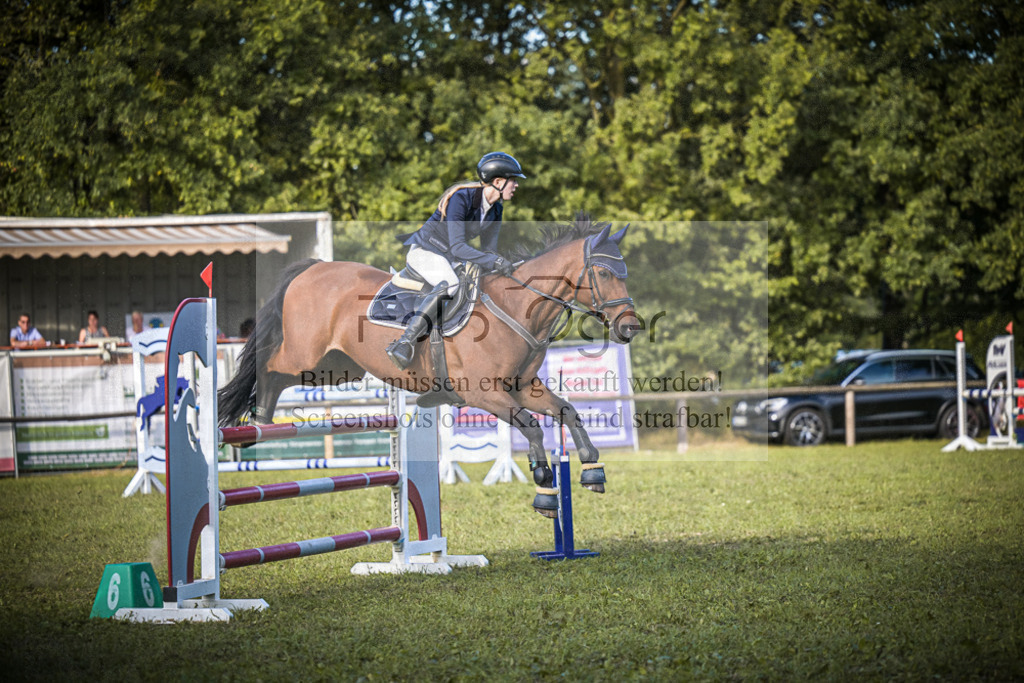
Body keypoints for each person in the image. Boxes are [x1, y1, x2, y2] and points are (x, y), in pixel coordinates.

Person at [386, 151, 526, 370]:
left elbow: (489, 251)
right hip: (425, 251)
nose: (516, 186)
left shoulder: (496, 209)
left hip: (448, 258)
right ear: (498, 181)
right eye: (513, 181)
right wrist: (493, 261)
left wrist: (508, 265)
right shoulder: (462, 198)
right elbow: (458, 246)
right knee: (451, 284)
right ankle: (405, 342)